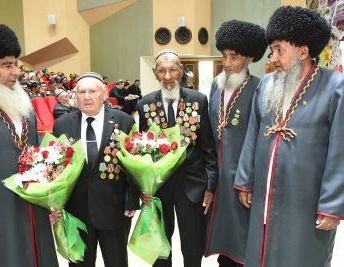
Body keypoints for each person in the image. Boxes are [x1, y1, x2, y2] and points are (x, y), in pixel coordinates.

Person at [234, 6, 344, 267]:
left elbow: (340, 152)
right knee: (262, 253)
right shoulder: (266, 84)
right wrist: (245, 180)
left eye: (279, 49)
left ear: (303, 51)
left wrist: (332, 206)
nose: (272, 58)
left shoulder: (334, 87)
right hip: (263, 194)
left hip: (306, 198)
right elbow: (253, 135)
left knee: (301, 256)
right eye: (272, 50)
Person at [0, 24, 58, 267]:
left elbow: (38, 157)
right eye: (7, 65)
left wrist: (51, 199)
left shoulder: (25, 106)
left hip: (31, 208)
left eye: (16, 63)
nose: (16, 71)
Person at [137, 49, 218, 267]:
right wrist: (144, 187)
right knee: (160, 247)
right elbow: (141, 151)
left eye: (173, 69)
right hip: (159, 188)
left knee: (192, 246)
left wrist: (210, 185)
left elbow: (208, 147)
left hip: (192, 186)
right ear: (155, 73)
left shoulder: (198, 100)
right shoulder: (144, 105)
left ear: (181, 71)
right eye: (162, 70)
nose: (168, 76)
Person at [53, 72, 140, 267]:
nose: (86, 96)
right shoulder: (62, 124)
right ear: (75, 95)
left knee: (116, 261)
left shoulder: (124, 121)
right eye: (81, 92)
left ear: (104, 94)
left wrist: (132, 199)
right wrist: (54, 202)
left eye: (92, 91)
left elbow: (134, 164)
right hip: (76, 211)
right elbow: (55, 166)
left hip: (115, 209)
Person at [205, 20, 267, 267]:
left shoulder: (260, 87)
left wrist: (248, 180)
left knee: (242, 238)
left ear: (250, 57)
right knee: (219, 233)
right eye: (224, 56)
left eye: (234, 57)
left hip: (243, 178)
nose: (227, 63)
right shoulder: (215, 85)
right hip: (217, 176)